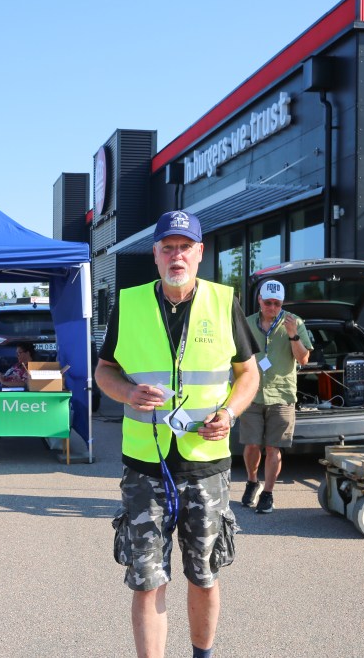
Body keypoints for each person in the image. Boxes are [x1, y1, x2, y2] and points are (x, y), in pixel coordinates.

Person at [95, 210, 260, 658]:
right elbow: (104, 370)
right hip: (144, 467)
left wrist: (230, 412)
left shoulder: (223, 302)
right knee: (147, 580)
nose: (176, 256)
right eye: (168, 248)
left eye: (185, 247)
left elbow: (248, 374)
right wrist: (128, 392)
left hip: (205, 465)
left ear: (199, 253)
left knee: (204, 575)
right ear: (155, 254)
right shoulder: (129, 304)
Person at [240, 279, 312, 515]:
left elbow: (303, 359)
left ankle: (268, 494)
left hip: (281, 394)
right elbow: (236, 355)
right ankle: (252, 482)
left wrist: (293, 336)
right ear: (259, 300)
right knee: (252, 444)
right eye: (268, 302)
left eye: (277, 304)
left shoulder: (294, 322)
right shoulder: (247, 323)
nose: (272, 307)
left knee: (273, 447)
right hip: (251, 392)